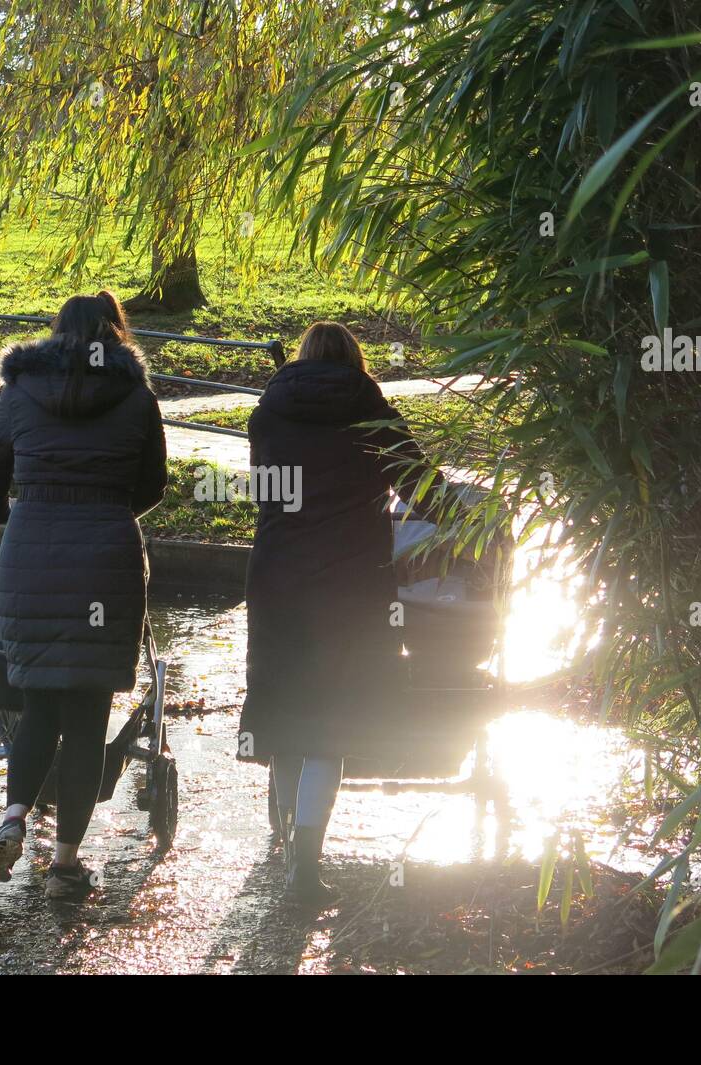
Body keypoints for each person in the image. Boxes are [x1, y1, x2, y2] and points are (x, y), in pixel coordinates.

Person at [0, 291, 167, 899]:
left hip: (31, 554)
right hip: (105, 559)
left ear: (56, 332)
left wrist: (3, 514)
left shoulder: (23, 390)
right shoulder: (135, 396)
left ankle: (12, 818)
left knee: (37, 703)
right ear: (116, 333)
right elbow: (154, 481)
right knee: (86, 718)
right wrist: (108, 510)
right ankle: (66, 866)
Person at [239, 321, 443, 906]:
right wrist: (458, 517)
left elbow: (267, 490)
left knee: (284, 712)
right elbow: (420, 490)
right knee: (331, 726)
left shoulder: (268, 413)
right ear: (356, 362)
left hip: (278, 578)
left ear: (301, 361)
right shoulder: (371, 412)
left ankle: (283, 839)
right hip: (352, 588)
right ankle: (306, 860)